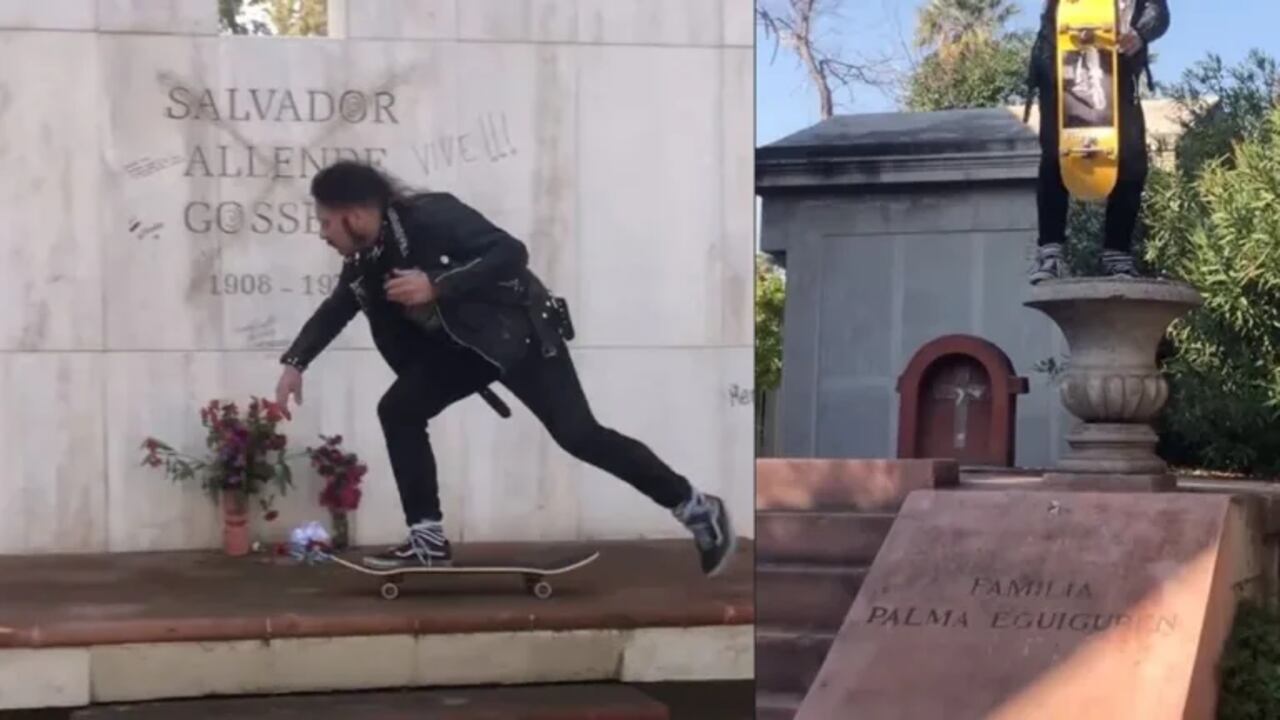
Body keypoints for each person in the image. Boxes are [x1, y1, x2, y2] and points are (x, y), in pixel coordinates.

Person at [273, 161, 736, 577]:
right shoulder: (365, 261)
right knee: (399, 410)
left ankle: (695, 507)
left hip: (521, 336)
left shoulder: (430, 215)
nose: (322, 233)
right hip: (463, 350)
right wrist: (296, 364)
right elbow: (337, 309)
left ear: (354, 214)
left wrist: (437, 284)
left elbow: (509, 252)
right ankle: (428, 541)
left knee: (580, 436)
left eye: (325, 221)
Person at [1026, 0, 1170, 284]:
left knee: (1131, 161)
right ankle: (1050, 254)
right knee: (1057, 156)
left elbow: (1159, 12)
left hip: (1116, 73)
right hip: (1060, 70)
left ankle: (1117, 256)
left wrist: (1140, 34)